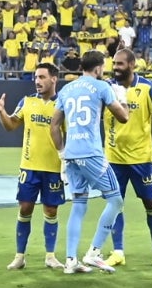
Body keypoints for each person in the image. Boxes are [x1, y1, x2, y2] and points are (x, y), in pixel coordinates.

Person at [49, 50, 130, 274]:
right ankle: (94, 252)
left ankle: (71, 260)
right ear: (98, 68)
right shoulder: (103, 87)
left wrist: (62, 153)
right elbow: (123, 117)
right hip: (91, 153)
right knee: (116, 200)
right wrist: (122, 97)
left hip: (72, 154)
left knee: (79, 205)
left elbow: (54, 126)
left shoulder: (67, 89)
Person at [0, 62, 65, 271]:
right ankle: (19, 256)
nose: (37, 81)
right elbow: (11, 125)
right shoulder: (27, 101)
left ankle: (50, 256)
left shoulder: (63, 104)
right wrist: (1, 111)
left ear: (53, 79)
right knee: (25, 208)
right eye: (35, 77)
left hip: (53, 168)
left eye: (42, 77)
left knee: (51, 210)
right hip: (29, 167)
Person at [104, 48, 152, 269]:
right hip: (114, 158)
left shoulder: (147, 87)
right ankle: (118, 251)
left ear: (132, 65)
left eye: (120, 64)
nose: (115, 67)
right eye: (114, 63)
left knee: (151, 204)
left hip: (141, 159)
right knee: (115, 204)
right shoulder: (107, 88)